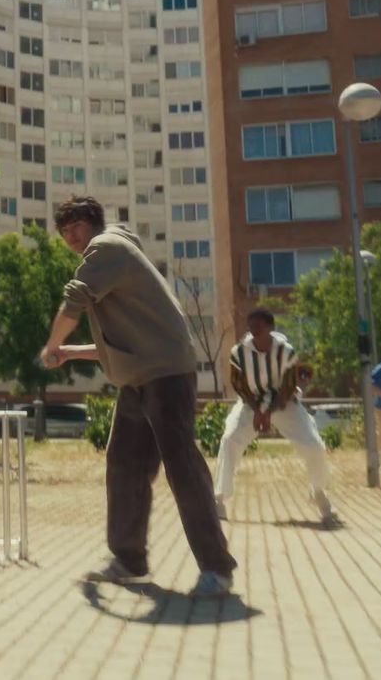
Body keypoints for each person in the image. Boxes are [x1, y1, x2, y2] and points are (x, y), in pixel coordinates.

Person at [40, 196, 236, 599]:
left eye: (75, 227)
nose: (71, 238)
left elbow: (74, 300)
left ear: (93, 222)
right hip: (139, 376)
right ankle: (129, 559)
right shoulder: (116, 260)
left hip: (164, 375)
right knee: (124, 462)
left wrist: (51, 344)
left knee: (182, 466)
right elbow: (117, 344)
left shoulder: (107, 247)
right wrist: (71, 351)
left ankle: (217, 568)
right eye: (64, 234)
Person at [214, 308, 335, 527]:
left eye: (258, 326)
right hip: (250, 404)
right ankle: (219, 498)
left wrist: (268, 411)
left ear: (270, 327)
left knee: (314, 445)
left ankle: (319, 493)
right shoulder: (238, 352)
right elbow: (239, 385)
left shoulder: (286, 351)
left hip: (284, 403)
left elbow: (288, 386)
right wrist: (257, 409)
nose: (253, 330)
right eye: (250, 326)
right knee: (229, 439)